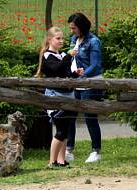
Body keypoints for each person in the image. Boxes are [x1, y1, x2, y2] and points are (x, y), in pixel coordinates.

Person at [36, 27, 83, 168]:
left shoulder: (62, 55)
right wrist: (69, 56)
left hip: (68, 95)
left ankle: (61, 161)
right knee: (61, 129)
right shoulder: (47, 56)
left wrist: (75, 74)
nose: (61, 41)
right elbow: (55, 70)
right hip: (55, 96)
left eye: (62, 38)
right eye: (58, 38)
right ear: (50, 39)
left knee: (66, 129)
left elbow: (65, 73)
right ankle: (52, 161)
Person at [65, 12, 103, 163]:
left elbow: (95, 65)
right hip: (76, 82)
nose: (72, 31)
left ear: (81, 27)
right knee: (69, 116)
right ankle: (69, 149)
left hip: (90, 82)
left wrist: (81, 76)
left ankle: (96, 151)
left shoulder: (94, 42)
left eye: (74, 28)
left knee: (90, 117)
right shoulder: (74, 39)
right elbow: (70, 56)